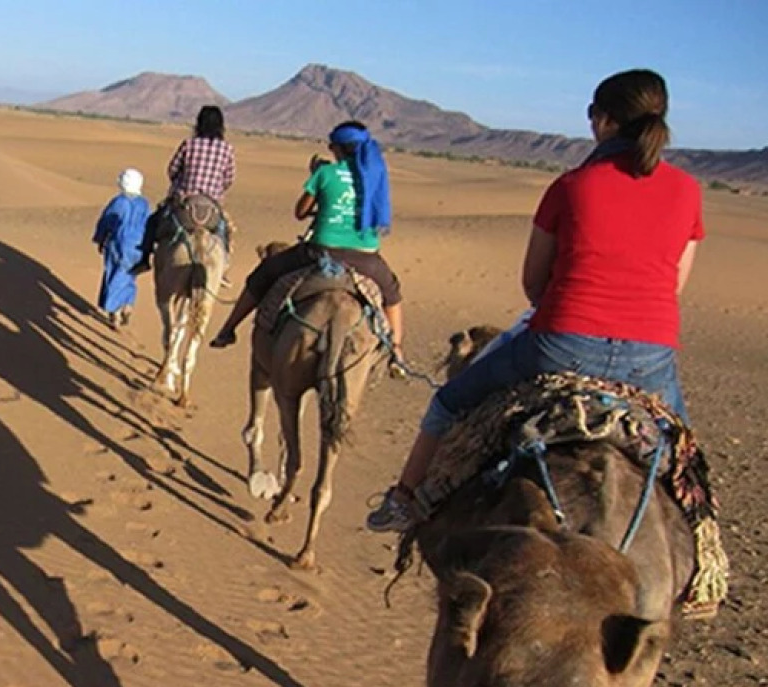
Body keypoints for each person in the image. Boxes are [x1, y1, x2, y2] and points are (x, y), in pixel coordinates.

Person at [365, 68, 704, 532]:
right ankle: (704, 545)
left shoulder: (573, 185)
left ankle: (404, 500)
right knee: (686, 455)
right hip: (650, 359)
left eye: (593, 114)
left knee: (447, 403)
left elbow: (534, 282)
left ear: (605, 121)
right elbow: (675, 285)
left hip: (561, 344)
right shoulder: (688, 191)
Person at [207, 121, 404, 354]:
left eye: (332, 146)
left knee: (265, 273)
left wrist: (322, 190)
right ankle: (396, 349)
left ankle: (228, 328)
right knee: (392, 294)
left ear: (338, 148)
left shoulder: (326, 173)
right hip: (366, 258)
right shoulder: (375, 177)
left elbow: (300, 212)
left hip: (321, 251)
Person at [132, 104, 236, 273]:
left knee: (153, 221)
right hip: (211, 208)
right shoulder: (227, 149)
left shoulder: (188, 144)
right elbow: (229, 179)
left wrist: (181, 182)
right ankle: (223, 269)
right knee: (224, 232)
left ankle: (144, 259)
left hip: (184, 204)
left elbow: (172, 169)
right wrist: (215, 188)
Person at [92, 168, 152, 327]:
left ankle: (116, 310)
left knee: (116, 275)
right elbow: (149, 224)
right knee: (130, 276)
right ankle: (128, 304)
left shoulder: (119, 202)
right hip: (139, 247)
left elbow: (106, 222)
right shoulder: (144, 204)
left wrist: (100, 239)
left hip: (119, 245)